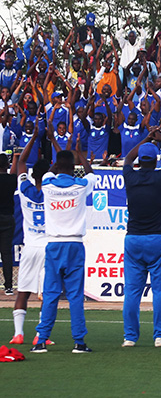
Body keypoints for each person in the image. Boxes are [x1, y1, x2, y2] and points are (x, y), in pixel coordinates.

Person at [31, 146, 98, 354]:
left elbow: (47, 173)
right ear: (74, 167)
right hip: (75, 244)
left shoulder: (48, 185)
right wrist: (80, 156)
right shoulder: (80, 185)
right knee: (75, 296)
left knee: (51, 294)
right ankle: (79, 342)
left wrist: (59, 159)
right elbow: (91, 174)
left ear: (57, 166)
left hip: (54, 244)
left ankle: (41, 340)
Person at [121, 129, 161, 348]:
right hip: (158, 239)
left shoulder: (131, 176)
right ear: (155, 161)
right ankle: (160, 336)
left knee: (132, 291)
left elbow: (127, 159)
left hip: (134, 238)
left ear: (140, 161)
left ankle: (130, 337)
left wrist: (146, 139)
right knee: (160, 290)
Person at [9, 135, 52, 345]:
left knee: (23, 292)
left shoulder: (25, 189)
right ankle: (41, 335)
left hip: (30, 247)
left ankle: (18, 334)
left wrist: (34, 137)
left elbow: (22, 162)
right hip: (48, 248)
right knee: (47, 294)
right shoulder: (53, 192)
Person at [0, 153, 15, 295]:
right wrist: (15, 157)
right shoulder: (11, 180)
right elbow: (15, 172)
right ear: (7, 165)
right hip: (7, 218)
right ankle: (9, 286)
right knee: (6, 254)